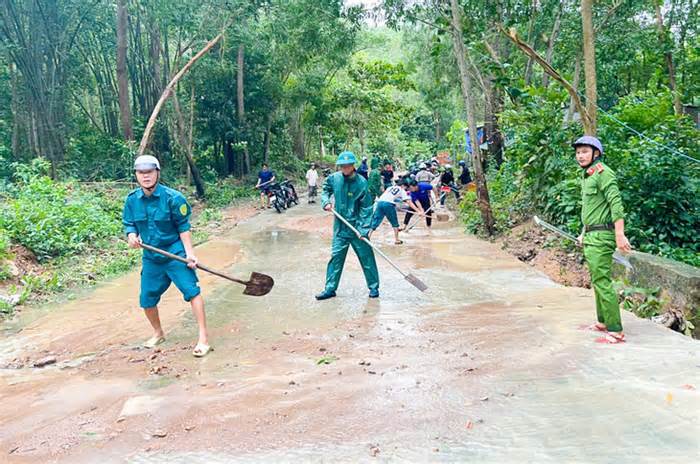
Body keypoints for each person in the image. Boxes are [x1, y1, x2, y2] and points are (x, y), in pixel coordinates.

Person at [123, 155, 211, 357]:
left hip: (174, 252)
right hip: (151, 255)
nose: (145, 176)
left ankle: (203, 338)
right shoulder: (131, 201)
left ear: (157, 173)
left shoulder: (173, 198)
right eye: (141, 173)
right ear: (136, 175)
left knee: (192, 291)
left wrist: (190, 255)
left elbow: (183, 227)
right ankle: (158, 332)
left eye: (149, 172)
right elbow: (129, 224)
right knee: (146, 299)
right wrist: (131, 236)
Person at [573, 135, 631, 344]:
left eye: (585, 151)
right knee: (597, 280)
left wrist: (619, 234)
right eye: (578, 152)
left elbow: (616, 204)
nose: (580, 156)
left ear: (596, 153)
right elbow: (591, 209)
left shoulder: (603, 173)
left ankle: (616, 330)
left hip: (602, 236)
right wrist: (583, 232)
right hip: (591, 234)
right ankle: (603, 321)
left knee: (602, 281)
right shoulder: (588, 175)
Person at [316, 151, 380, 300]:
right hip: (340, 227)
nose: (344, 168)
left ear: (353, 166)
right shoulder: (335, 178)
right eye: (342, 166)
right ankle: (330, 289)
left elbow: (366, 208)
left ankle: (374, 287)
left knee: (367, 258)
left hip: (357, 228)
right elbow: (325, 189)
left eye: (347, 166)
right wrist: (326, 201)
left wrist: (363, 229)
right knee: (335, 258)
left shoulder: (362, 183)